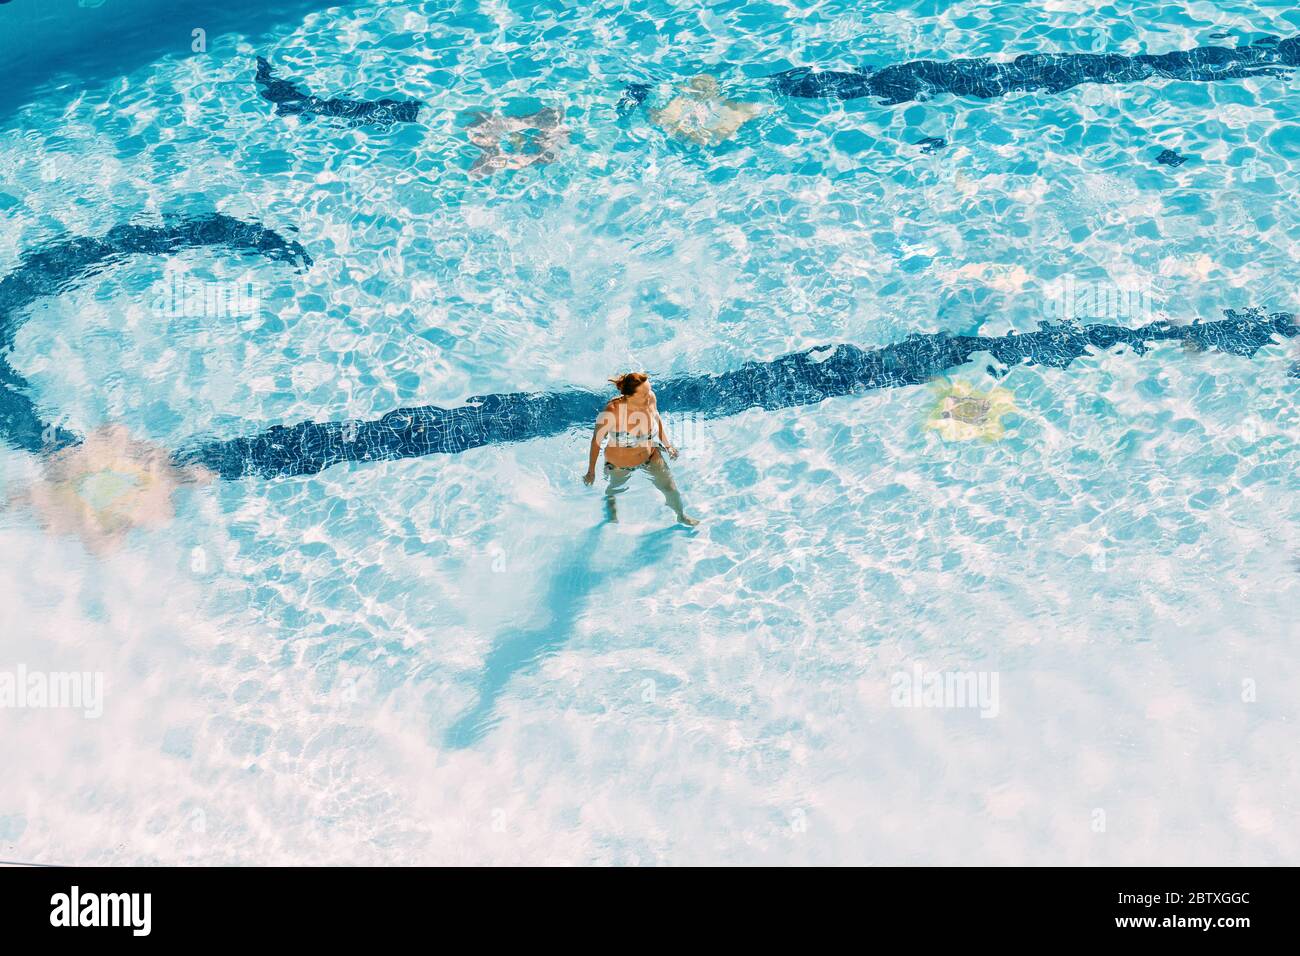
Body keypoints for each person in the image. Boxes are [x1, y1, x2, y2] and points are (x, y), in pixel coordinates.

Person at [583, 372, 699, 525]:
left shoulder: (650, 397)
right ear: (630, 396)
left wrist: (668, 445)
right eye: (644, 393)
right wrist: (591, 471)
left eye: (649, 390)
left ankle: (680, 515)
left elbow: (656, 418)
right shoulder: (612, 412)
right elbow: (596, 442)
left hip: (650, 455)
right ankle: (611, 506)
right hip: (620, 464)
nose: (649, 395)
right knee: (615, 489)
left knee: (670, 488)